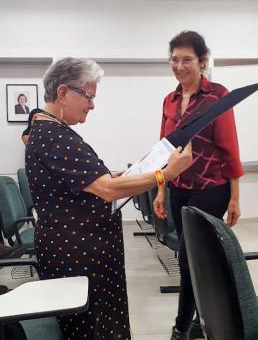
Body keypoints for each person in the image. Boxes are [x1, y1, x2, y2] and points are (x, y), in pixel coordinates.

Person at [25, 57, 192, 340]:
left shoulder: (48, 130)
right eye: (88, 96)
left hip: (79, 251)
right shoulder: (54, 136)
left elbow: (90, 183)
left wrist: (118, 175)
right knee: (89, 329)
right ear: (63, 92)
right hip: (77, 256)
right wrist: (166, 174)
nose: (92, 104)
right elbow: (107, 190)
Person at [153, 31, 244, 340]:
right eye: (174, 60)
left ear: (202, 61)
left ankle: (181, 325)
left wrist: (234, 197)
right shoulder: (170, 100)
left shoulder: (218, 95)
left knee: (193, 257)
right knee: (188, 256)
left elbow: (229, 147)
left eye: (187, 59)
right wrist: (162, 188)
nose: (180, 66)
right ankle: (196, 324)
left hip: (212, 188)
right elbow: (164, 147)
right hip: (179, 187)